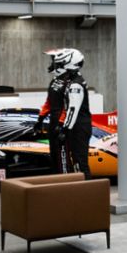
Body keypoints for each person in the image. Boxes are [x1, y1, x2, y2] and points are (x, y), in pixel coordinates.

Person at [35, 48, 92, 176]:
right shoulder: (67, 81)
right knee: (67, 159)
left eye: (59, 63)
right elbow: (52, 103)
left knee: (78, 162)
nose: (55, 64)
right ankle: (70, 184)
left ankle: (83, 187)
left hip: (76, 126)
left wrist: (63, 128)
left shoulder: (75, 83)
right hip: (69, 125)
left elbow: (71, 109)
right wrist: (40, 119)